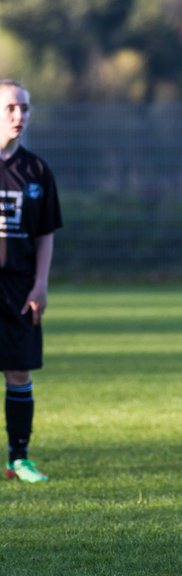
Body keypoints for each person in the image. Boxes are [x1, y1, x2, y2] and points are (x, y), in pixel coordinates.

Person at [0, 81, 62, 484]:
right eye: (10, 108)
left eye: (24, 108)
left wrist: (40, 284)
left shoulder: (36, 170)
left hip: (18, 290)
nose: (19, 116)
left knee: (19, 372)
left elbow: (45, 234)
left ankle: (19, 458)